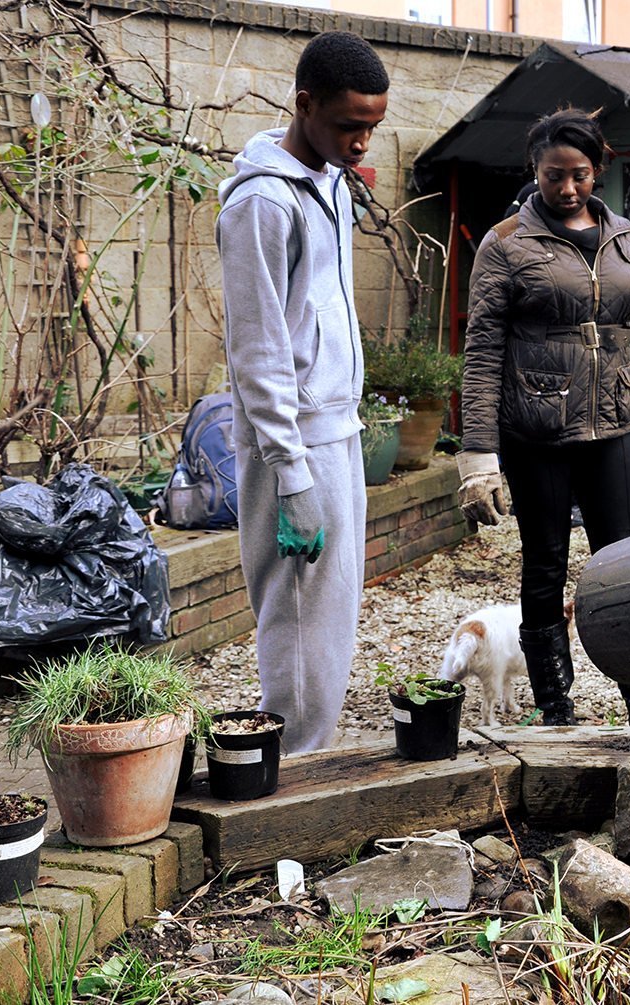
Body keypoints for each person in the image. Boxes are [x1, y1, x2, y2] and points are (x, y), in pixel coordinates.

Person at [456, 108, 630, 726]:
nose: (567, 189)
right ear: (535, 171)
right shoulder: (506, 245)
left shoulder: (629, 243)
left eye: (579, 175)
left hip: (612, 427)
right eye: (554, 176)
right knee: (546, 561)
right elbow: (481, 353)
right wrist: (477, 457)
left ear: (597, 169)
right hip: (536, 431)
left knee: (625, 563)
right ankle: (555, 703)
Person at [215, 31, 388, 753]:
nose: (362, 142)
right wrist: (289, 474)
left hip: (335, 428)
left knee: (330, 623)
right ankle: (279, 781)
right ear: (305, 104)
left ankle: (303, 768)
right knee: (294, 623)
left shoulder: (328, 183)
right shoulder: (261, 203)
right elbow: (257, 348)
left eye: (373, 127)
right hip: (295, 443)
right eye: (350, 125)